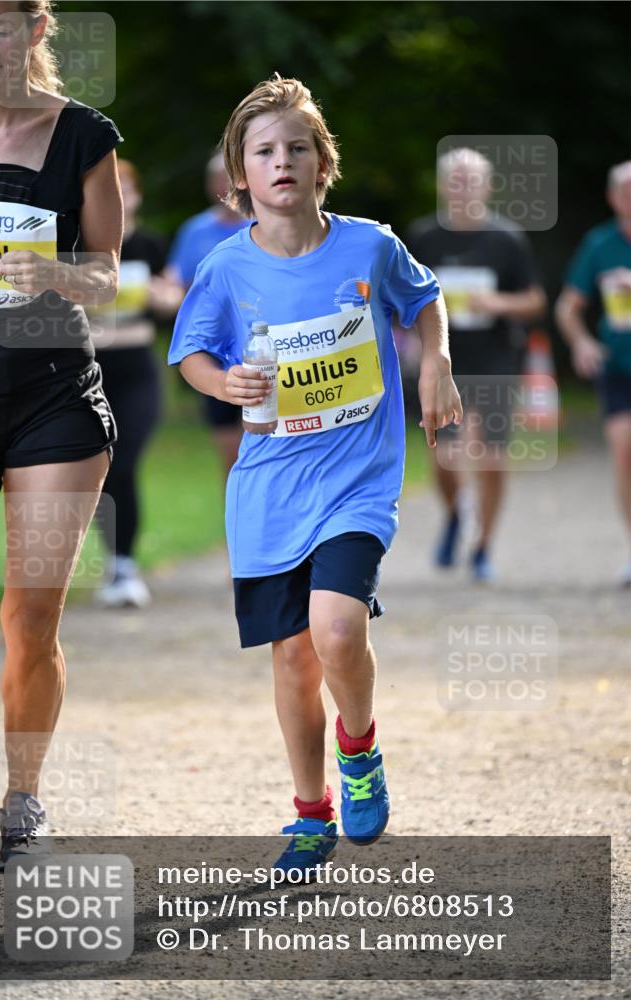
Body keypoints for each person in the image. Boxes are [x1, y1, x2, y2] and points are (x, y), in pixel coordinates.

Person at [168, 75, 461, 875]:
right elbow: (190, 351)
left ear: (323, 162)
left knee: (336, 628)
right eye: (264, 151)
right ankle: (307, 812)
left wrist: (435, 361)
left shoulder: (367, 246)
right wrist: (219, 383)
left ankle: (358, 750)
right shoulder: (226, 268)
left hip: (356, 480)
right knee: (293, 657)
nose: (282, 160)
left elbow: (424, 299)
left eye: (298, 146)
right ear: (241, 175)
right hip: (267, 485)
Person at [0, 0, 122, 867]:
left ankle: (22, 799)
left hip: (53, 394)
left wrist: (59, 271)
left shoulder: (82, 136)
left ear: (36, 31)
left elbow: (107, 274)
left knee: (30, 613)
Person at [408, 148, 546, 581]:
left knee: (491, 460)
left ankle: (483, 546)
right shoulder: (424, 237)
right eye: (455, 179)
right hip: (443, 361)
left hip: (496, 358)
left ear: (487, 187)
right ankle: (455, 515)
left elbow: (535, 301)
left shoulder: (506, 239)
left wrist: (498, 302)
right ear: (443, 185)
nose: (463, 188)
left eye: (472, 180)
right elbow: (401, 298)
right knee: (442, 458)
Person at [92, 159, 173, 609]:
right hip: (87, 370)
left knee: (123, 463)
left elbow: (177, 298)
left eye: (126, 187)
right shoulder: (78, 243)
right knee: (99, 470)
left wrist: (166, 298)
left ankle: (124, 566)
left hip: (138, 370)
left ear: (137, 195)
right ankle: (114, 562)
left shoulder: (149, 245)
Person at [556, 161, 631, 586]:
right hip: (619, 365)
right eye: (626, 191)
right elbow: (568, 306)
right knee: (624, 450)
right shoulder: (600, 245)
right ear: (612, 198)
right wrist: (582, 342)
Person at [166, 151, 247, 476]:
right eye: (216, 180)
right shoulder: (194, 231)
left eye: (228, 178)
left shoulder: (263, 226)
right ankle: (236, 523)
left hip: (260, 347)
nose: (223, 187)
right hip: (214, 352)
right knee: (230, 450)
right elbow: (178, 281)